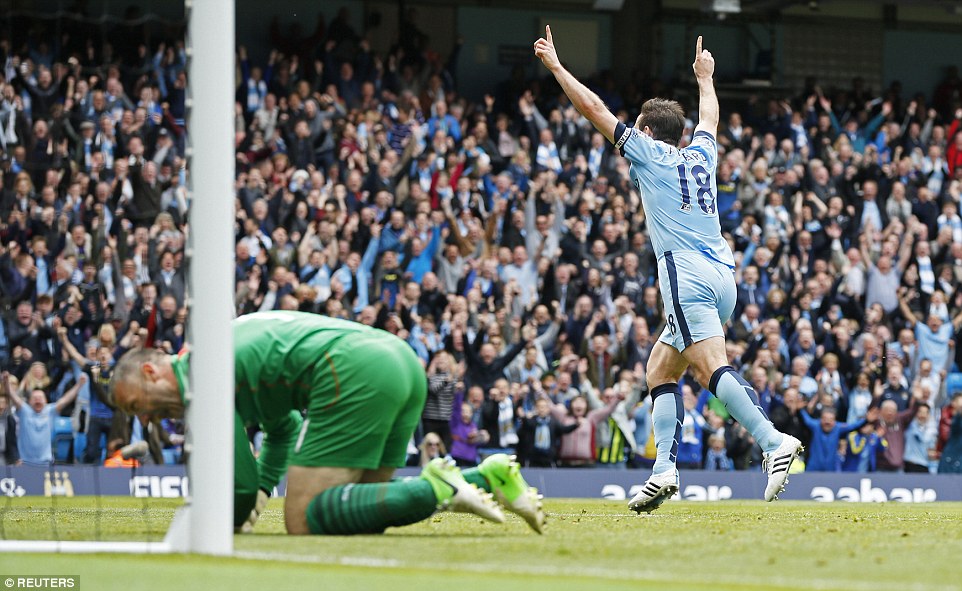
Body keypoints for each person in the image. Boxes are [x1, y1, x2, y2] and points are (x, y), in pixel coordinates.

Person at [534, 29, 802, 513]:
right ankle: (663, 472)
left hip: (686, 274)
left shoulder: (648, 153)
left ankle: (773, 442)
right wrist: (706, 77)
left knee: (709, 369)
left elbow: (595, 110)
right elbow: (711, 116)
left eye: (638, 128)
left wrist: (556, 67)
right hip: (723, 275)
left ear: (649, 132)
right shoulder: (702, 154)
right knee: (660, 368)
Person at [109, 311, 545, 535]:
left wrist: (236, 514)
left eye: (137, 405)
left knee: (301, 519)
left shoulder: (202, 379)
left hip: (353, 371)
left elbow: (236, 492)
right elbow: (283, 426)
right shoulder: (220, 349)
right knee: (359, 508)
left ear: (152, 372)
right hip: (398, 361)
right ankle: (485, 476)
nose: (146, 417)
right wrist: (265, 488)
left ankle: (439, 486)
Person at [4, 373, 82, 465]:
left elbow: (66, 399)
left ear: (46, 401)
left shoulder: (50, 410)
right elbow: (13, 396)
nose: (38, 400)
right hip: (24, 462)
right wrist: (6, 383)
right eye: (35, 398)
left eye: (40, 398)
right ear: (29, 401)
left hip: (45, 462)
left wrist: (79, 385)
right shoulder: (24, 410)